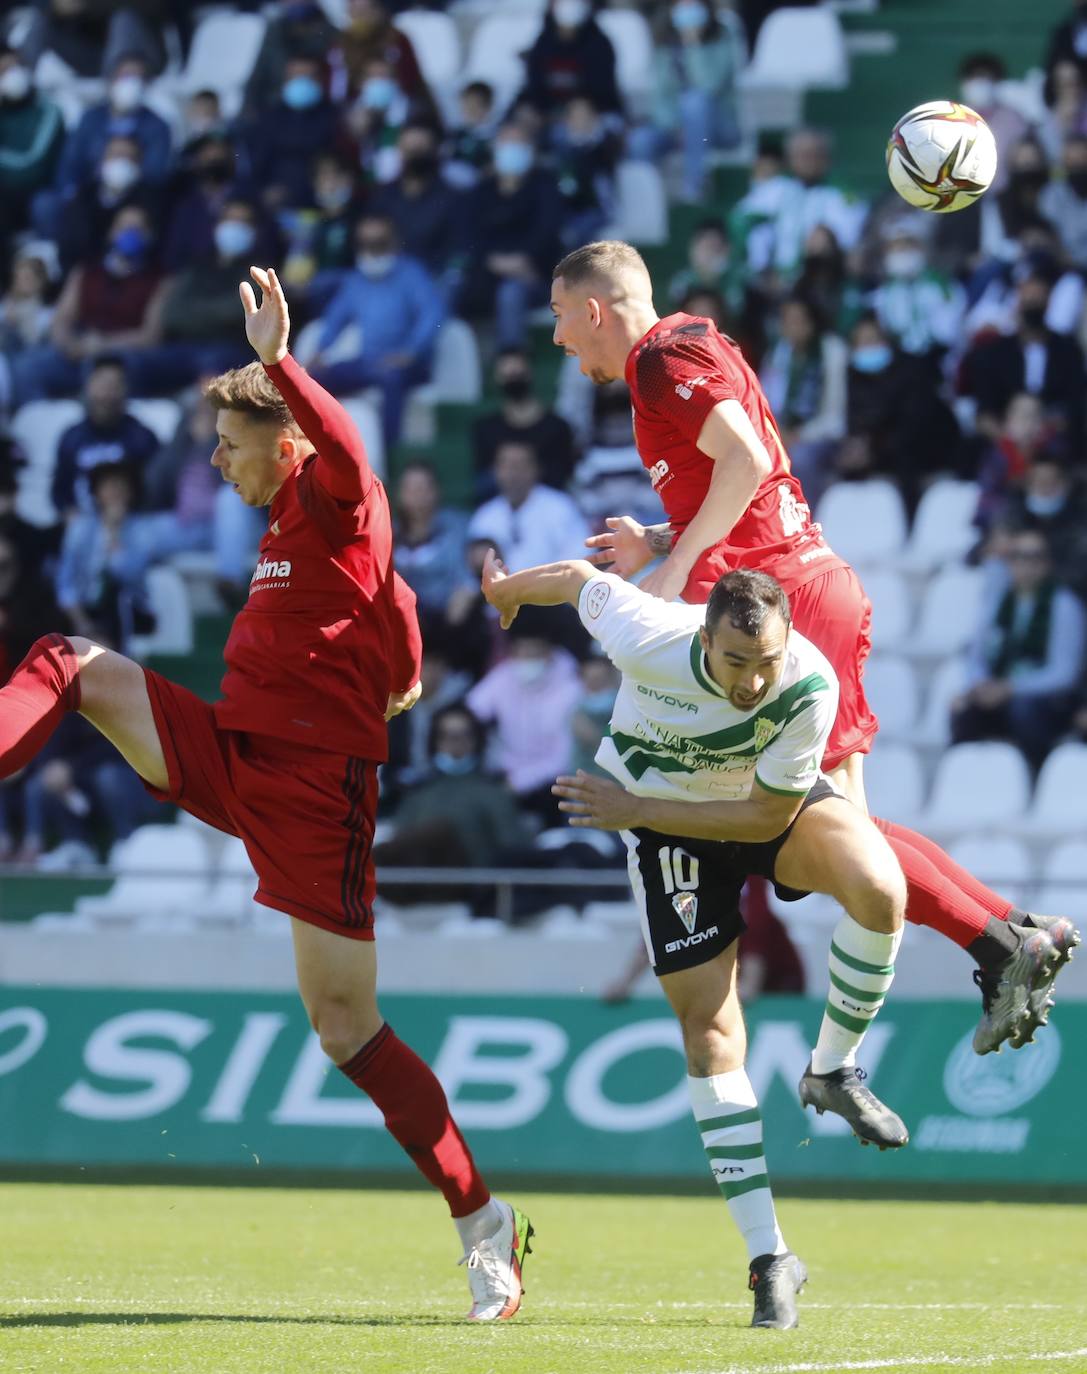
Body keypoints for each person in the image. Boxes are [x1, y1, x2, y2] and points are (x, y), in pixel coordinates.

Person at [0, 264, 532, 1321]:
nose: (214, 459)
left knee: (345, 1030)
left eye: (230, 444)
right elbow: (391, 632)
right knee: (71, 659)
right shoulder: (286, 531)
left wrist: (283, 359)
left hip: (313, 796)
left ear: (282, 439)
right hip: (232, 752)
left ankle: (483, 1222)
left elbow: (350, 455)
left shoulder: (336, 497)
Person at [548, 239, 1080, 1054]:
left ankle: (1003, 942)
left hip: (780, 609)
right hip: (805, 587)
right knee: (839, 838)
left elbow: (751, 458)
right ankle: (1008, 936)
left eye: (559, 318)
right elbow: (752, 479)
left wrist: (680, 564)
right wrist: (662, 537)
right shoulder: (693, 341)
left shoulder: (659, 362)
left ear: (593, 310)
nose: (557, 339)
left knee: (809, 833)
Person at [482, 555, 910, 1327]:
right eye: (736, 661)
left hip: (748, 808)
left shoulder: (807, 684)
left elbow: (760, 821)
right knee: (711, 1039)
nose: (752, 682)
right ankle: (769, 1257)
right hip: (662, 831)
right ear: (703, 637)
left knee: (881, 889)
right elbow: (580, 580)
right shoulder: (647, 633)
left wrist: (634, 804)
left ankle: (832, 1068)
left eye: (766, 662)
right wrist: (507, 591)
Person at [953, 528, 1086, 767]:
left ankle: (1033, 777)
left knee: (1024, 710)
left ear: (1047, 563)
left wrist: (1011, 688)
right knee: (964, 711)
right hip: (1000, 691)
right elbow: (976, 656)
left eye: (1035, 557)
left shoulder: (1064, 606)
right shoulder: (997, 602)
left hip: (1045, 699)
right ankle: (966, 780)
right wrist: (979, 686)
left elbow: (1064, 673)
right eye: (1018, 556)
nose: (1026, 564)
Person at [308, 213, 444, 449]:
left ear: (393, 242)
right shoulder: (356, 280)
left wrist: (411, 351)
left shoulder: (411, 274)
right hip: (369, 362)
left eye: (379, 244)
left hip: (410, 364)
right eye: (365, 245)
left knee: (390, 377)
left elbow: (432, 315)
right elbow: (336, 318)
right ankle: (320, 447)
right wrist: (321, 350)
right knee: (312, 379)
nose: (371, 251)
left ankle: (388, 453)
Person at [50, 356, 160, 521]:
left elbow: (154, 490)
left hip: (131, 523)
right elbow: (60, 491)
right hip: (83, 524)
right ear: (89, 387)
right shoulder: (72, 438)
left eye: (115, 386)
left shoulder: (142, 438)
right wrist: (70, 515)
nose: (108, 394)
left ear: (125, 390)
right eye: (102, 385)